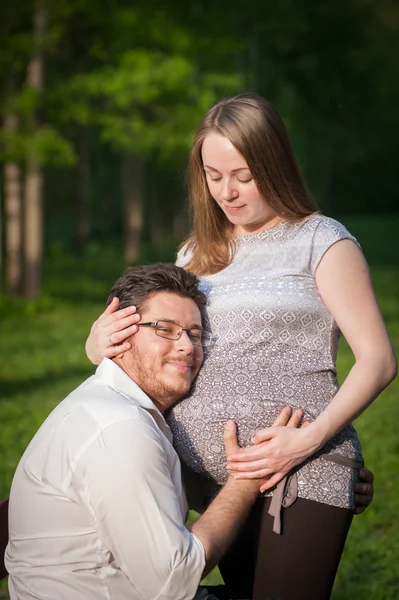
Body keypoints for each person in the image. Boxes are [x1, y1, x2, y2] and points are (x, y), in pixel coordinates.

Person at [85, 94, 393, 600]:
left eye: (243, 175)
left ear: (274, 165)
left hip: (300, 469)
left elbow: (378, 361)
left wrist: (312, 440)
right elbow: (160, 339)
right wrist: (100, 345)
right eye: (213, 175)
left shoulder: (322, 241)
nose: (226, 192)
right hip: (211, 484)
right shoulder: (196, 251)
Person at [6, 263, 305, 600]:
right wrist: (246, 478)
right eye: (165, 329)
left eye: (195, 334)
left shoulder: (113, 406)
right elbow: (174, 581)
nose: (187, 347)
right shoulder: (120, 429)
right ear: (120, 333)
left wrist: (329, 472)